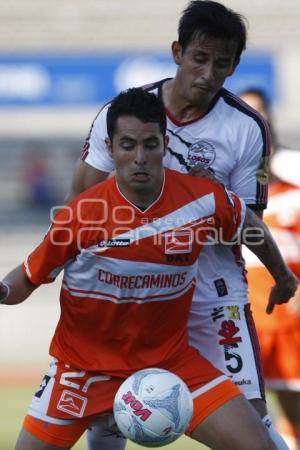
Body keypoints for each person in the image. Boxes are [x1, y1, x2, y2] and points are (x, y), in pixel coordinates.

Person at [1, 88, 296, 450]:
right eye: (127, 145)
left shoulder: (204, 199)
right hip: (83, 372)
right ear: (110, 148)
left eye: (150, 144)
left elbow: (250, 227)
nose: (140, 157)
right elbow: (26, 278)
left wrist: (283, 277)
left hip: (172, 362)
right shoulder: (80, 215)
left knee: (258, 445)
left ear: (164, 142)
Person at [68, 2, 289, 448]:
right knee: (110, 414)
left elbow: (245, 226)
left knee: (251, 418)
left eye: (221, 63)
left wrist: (200, 197)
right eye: (199, 58)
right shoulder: (124, 113)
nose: (208, 73)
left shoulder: (247, 128)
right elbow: (80, 202)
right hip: (132, 286)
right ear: (177, 52)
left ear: (234, 66)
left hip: (212, 288)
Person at [240, 88, 300, 450]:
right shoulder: (223, 176)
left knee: (293, 415)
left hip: (291, 320)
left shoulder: (293, 173)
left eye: (259, 111)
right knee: (244, 421)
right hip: (242, 320)